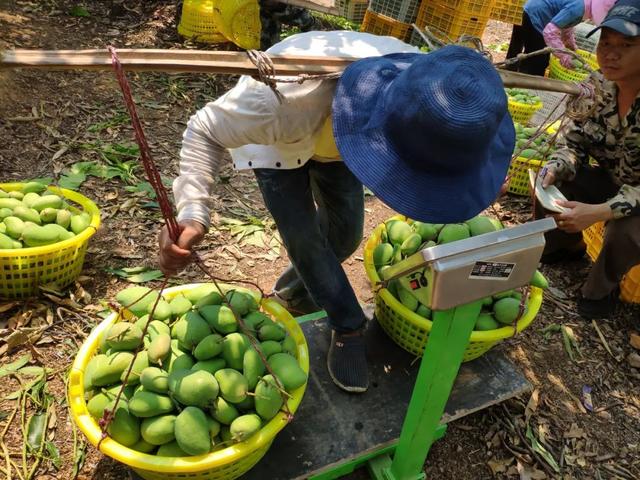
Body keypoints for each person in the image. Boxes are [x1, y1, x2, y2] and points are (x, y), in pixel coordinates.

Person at [158, 30, 515, 393]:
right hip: (286, 145)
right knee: (305, 239)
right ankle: (347, 324)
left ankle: (292, 293)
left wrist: (478, 176)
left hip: (347, 142)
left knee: (346, 234)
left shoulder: (434, 86)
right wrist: (192, 212)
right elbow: (203, 130)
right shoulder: (280, 103)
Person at [537, 0, 640, 319]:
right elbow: (574, 139)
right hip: (615, 179)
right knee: (552, 180)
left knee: (626, 232)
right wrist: (557, 165)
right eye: (606, 43)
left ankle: (602, 290)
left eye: (626, 45)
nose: (611, 53)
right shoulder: (598, 85)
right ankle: (565, 247)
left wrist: (600, 211)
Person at [506, 0, 617, 76]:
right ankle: (525, 86)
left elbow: (564, 23)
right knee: (538, 60)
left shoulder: (584, 5)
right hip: (535, 15)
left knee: (523, 51)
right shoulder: (578, 8)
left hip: (534, 10)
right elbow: (550, 32)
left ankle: (509, 76)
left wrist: (570, 44)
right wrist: (563, 56)